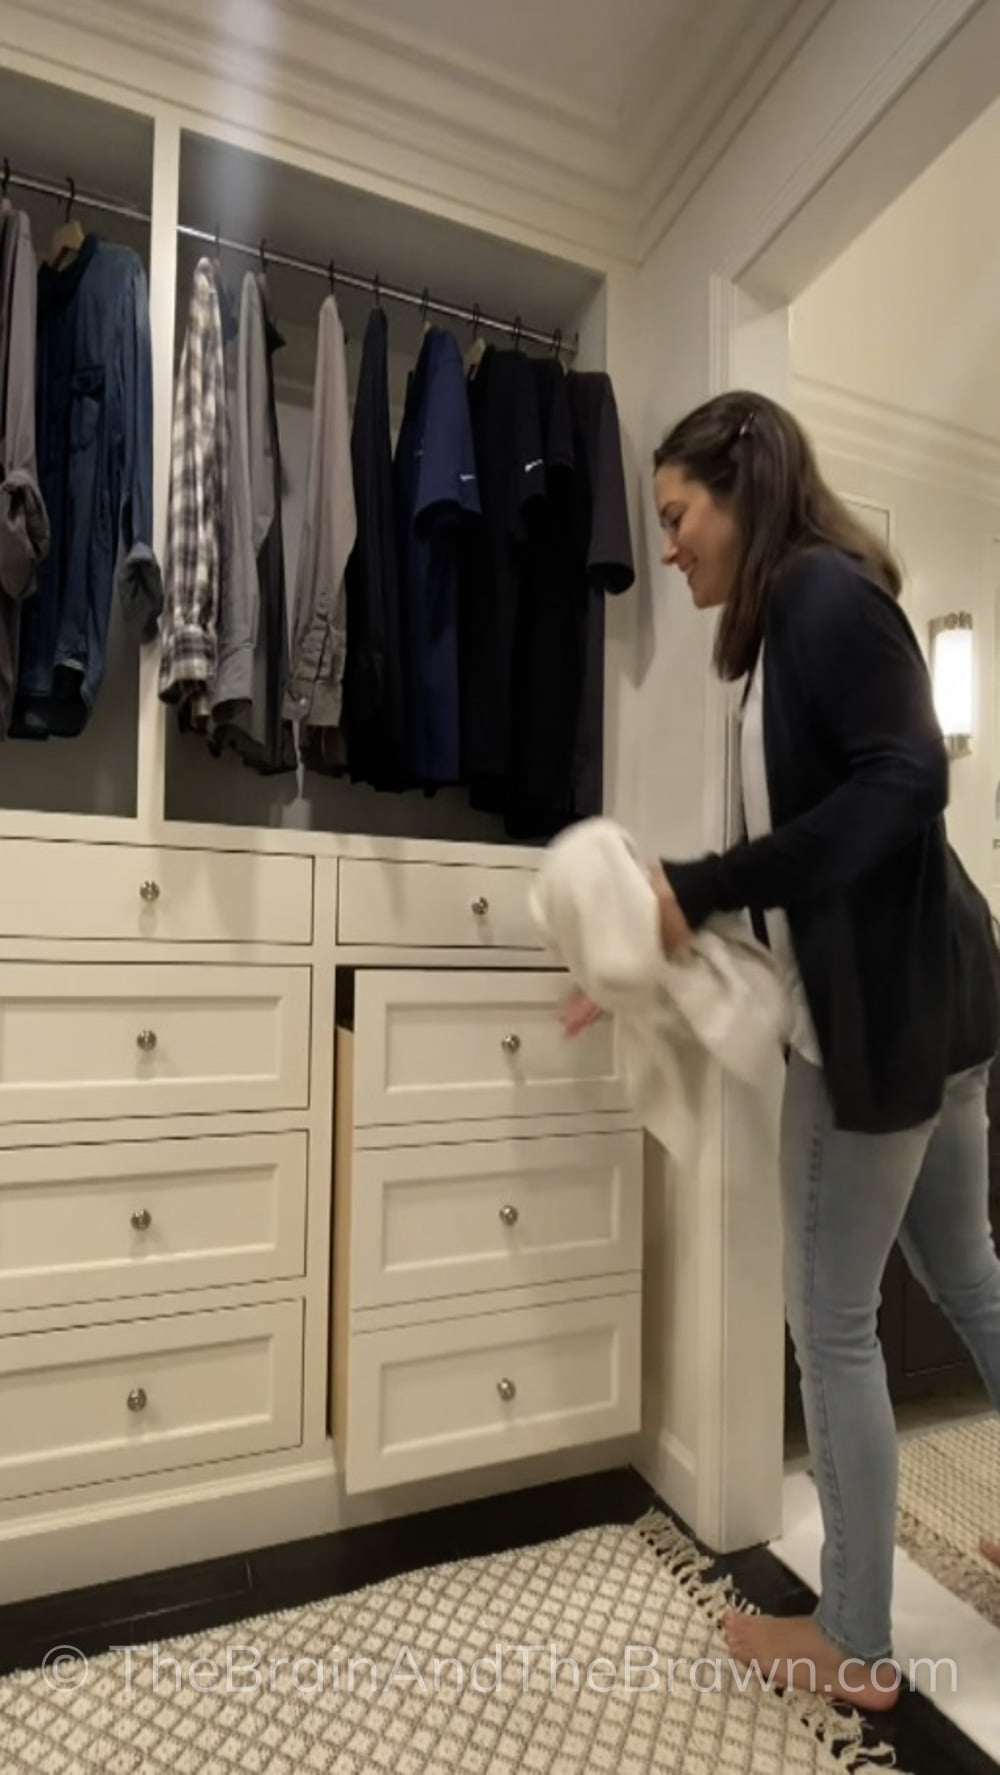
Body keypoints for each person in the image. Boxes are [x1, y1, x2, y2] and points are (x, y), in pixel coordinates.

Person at [565, 390, 1000, 1712]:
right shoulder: (797, 624)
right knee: (969, 1280)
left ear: (740, 482)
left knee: (836, 1325)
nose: (673, 547)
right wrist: (652, 955)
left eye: (680, 516)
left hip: (886, 1034)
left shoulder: (820, 599)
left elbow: (905, 781)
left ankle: (854, 1641)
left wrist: (689, 888)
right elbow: (818, 864)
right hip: (948, 1010)